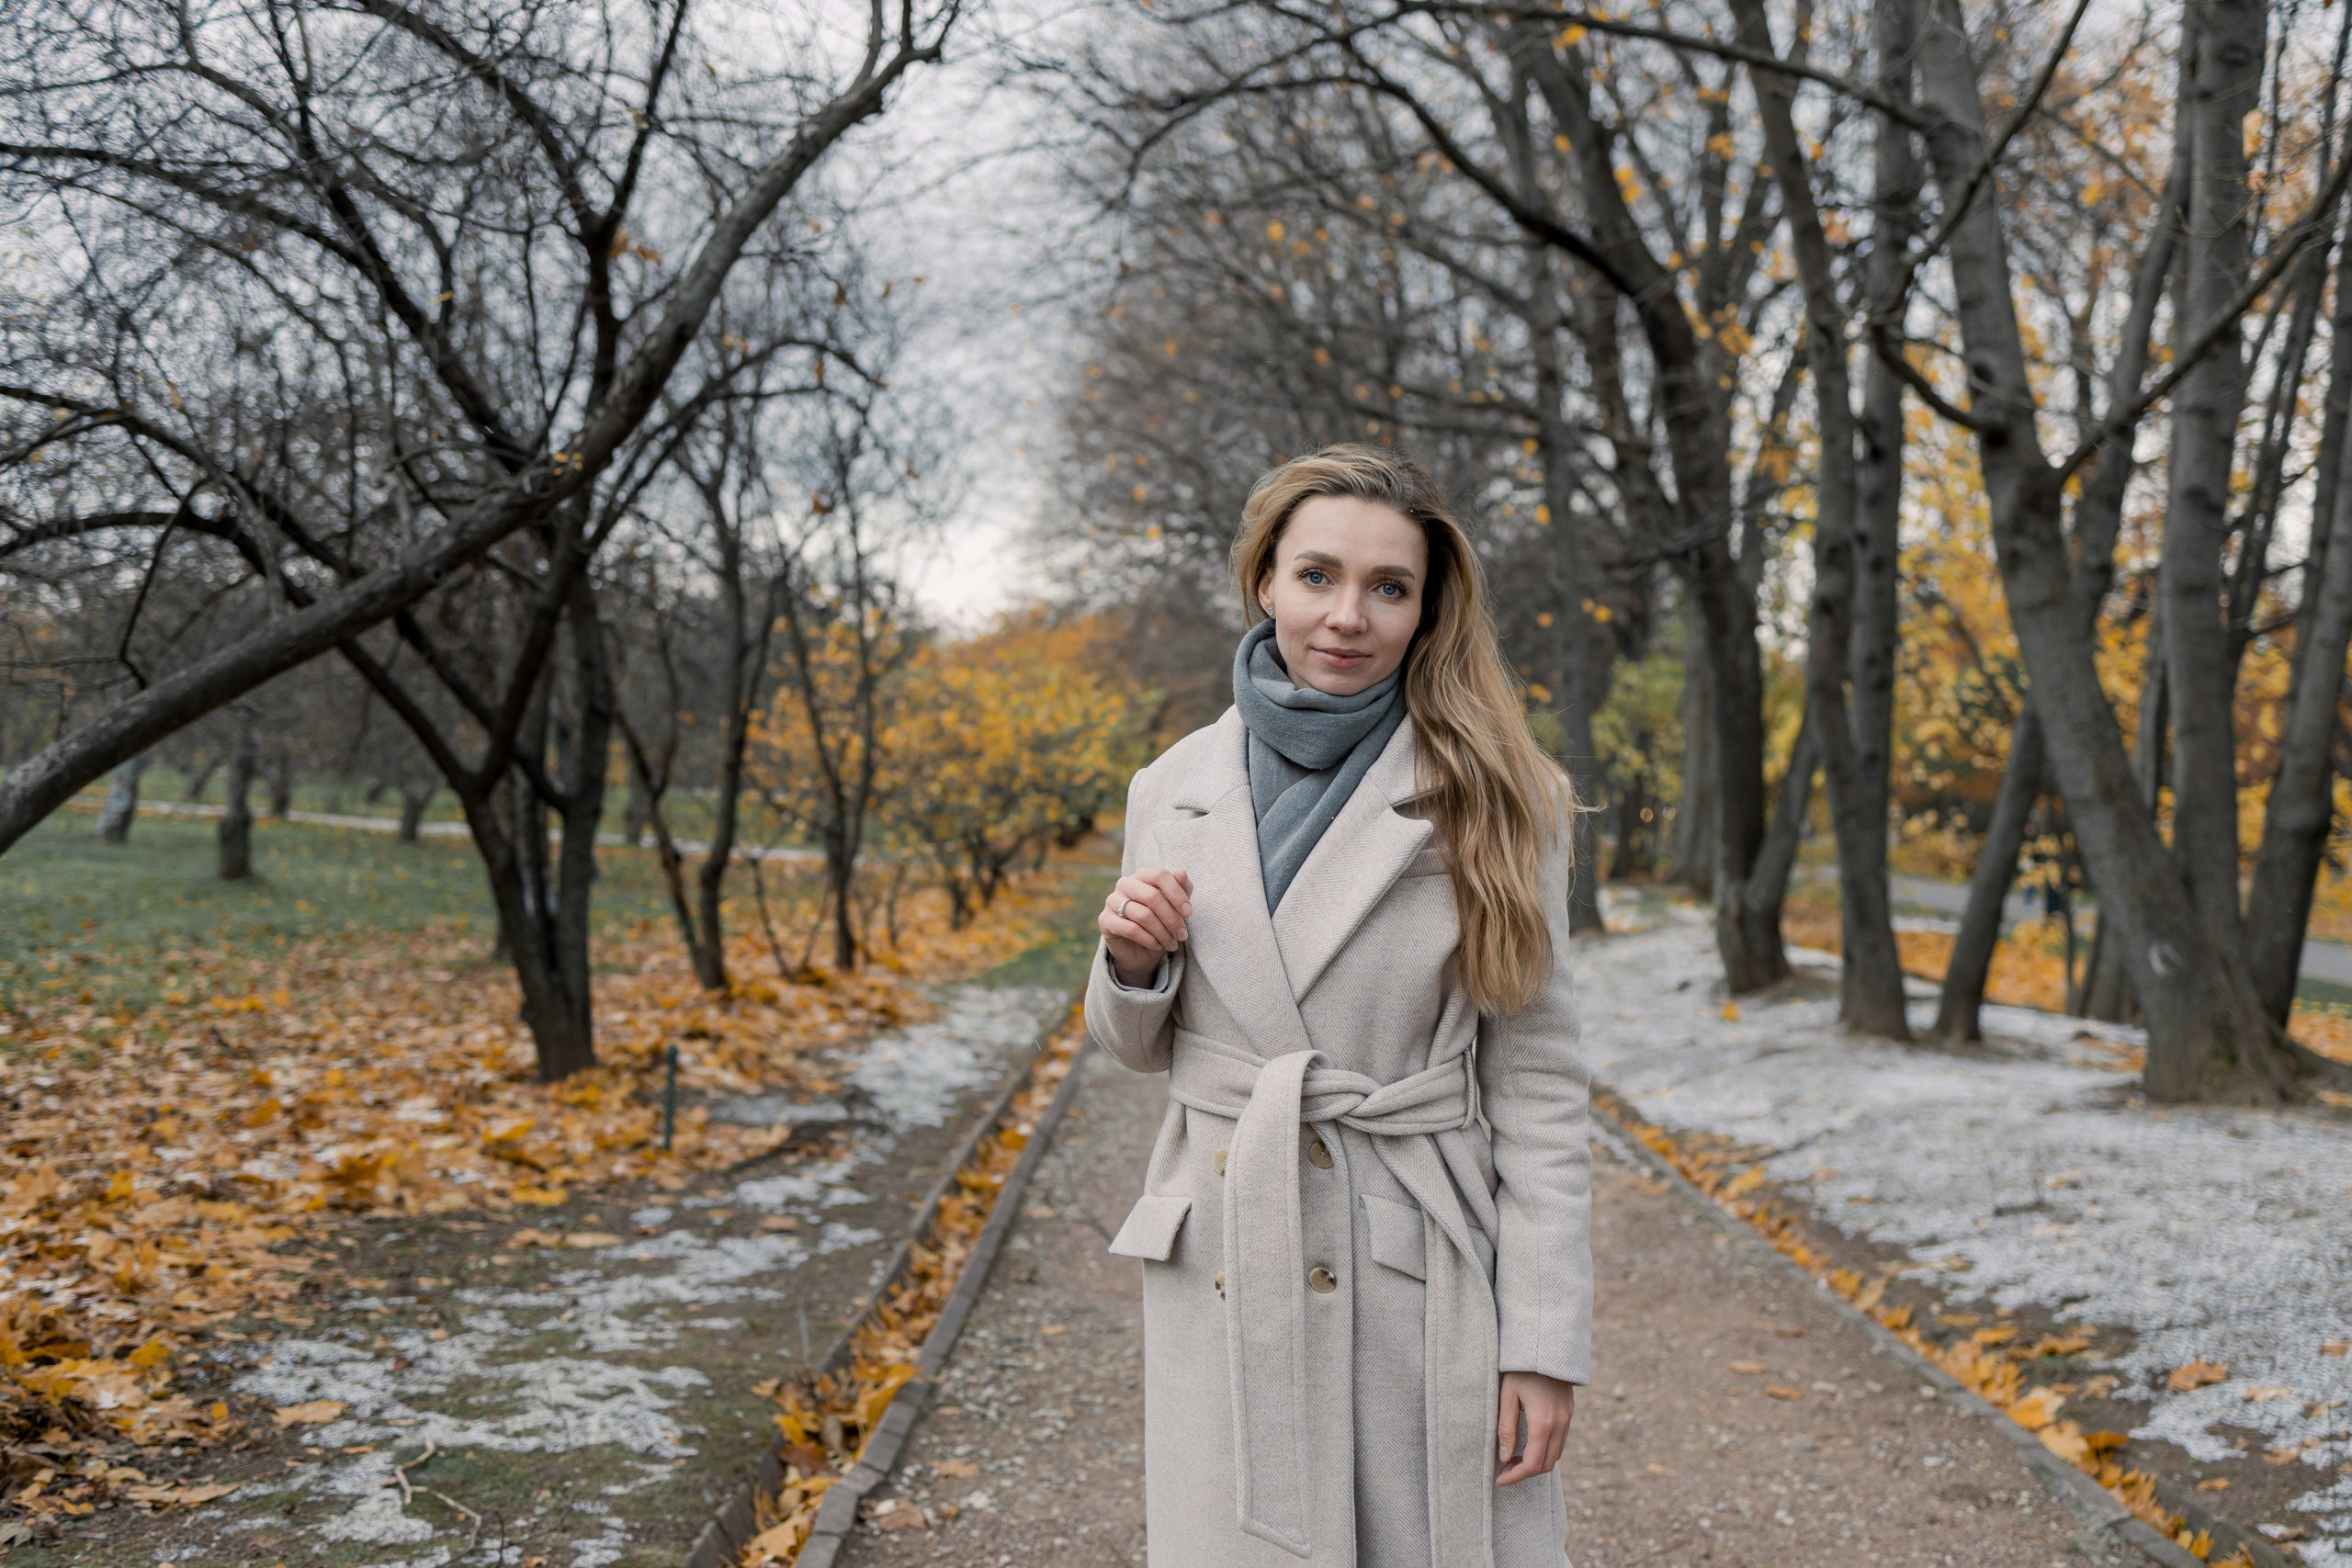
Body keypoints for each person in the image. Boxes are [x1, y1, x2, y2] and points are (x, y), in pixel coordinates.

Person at [1086, 444, 1593, 1567]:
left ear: (1426, 610)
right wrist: (1129, 963)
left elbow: (1540, 1084)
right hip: (1226, 1242)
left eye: (1388, 587)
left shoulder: (1503, 795)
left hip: (1408, 1250)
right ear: (1264, 579)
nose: (1346, 616)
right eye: (1317, 576)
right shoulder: (1167, 788)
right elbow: (1136, 1047)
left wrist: (1544, 1343)